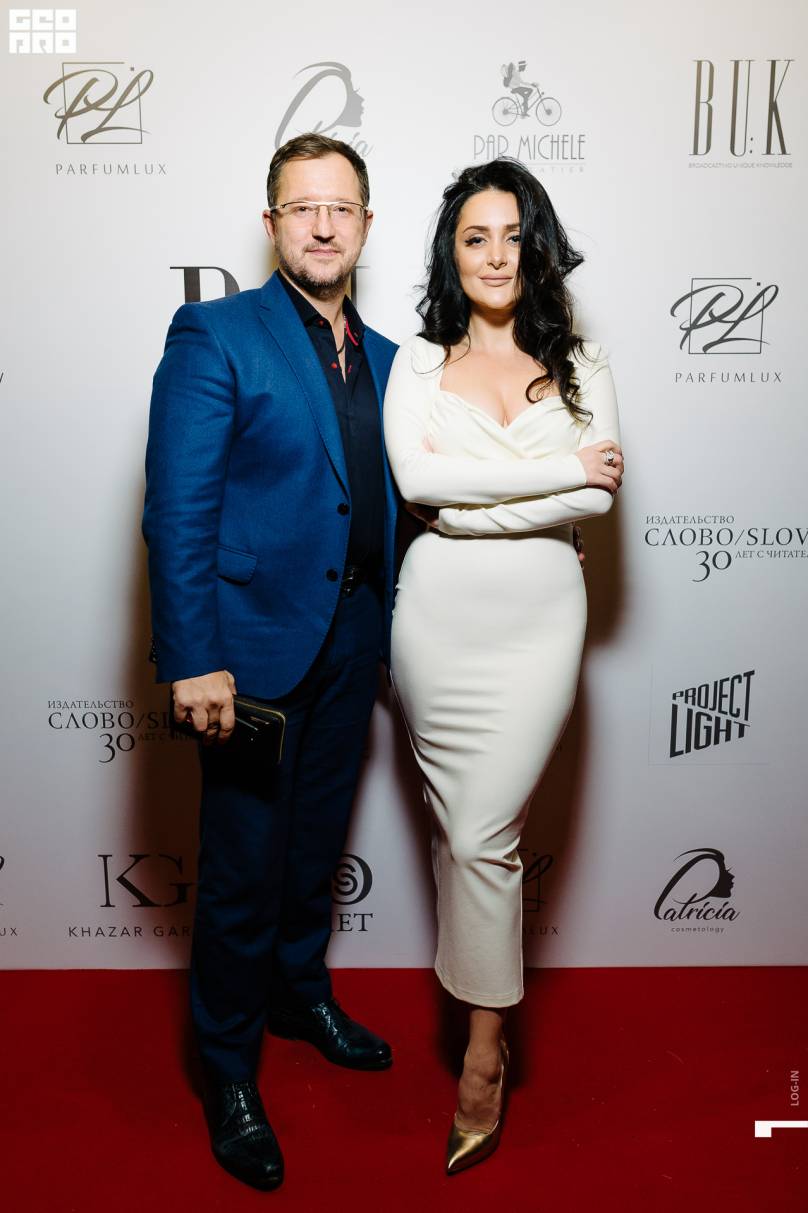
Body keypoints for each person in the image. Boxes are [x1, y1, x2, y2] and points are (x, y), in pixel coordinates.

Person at [142, 133, 399, 1192]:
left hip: (355, 639)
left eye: (341, 208)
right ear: (270, 223)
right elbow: (178, 506)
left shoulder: (391, 357)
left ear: (367, 225)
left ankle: (299, 993)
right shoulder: (216, 333)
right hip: (247, 656)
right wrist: (194, 657)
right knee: (244, 869)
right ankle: (228, 1068)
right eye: (303, 208)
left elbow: (412, 500)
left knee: (312, 850)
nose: (323, 226)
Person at [382, 158, 624, 1174]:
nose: (494, 255)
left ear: (537, 247)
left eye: (513, 235)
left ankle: (482, 1057)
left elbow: (600, 499)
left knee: (485, 833)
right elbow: (416, 482)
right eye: (474, 237)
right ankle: (485, 1027)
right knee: (461, 831)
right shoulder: (416, 362)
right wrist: (553, 474)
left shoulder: (583, 362)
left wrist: (474, 500)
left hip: (537, 620)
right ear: (452, 251)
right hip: (437, 618)